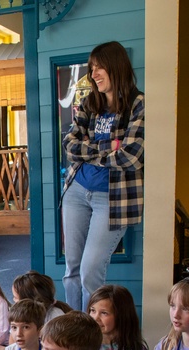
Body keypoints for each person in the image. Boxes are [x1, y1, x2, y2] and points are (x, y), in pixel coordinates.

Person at [60, 41, 145, 311]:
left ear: (116, 67)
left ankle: (91, 335)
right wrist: (107, 148)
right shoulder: (89, 103)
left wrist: (90, 152)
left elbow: (130, 156)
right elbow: (69, 146)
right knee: (71, 270)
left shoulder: (137, 104)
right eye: (92, 68)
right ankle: (71, 331)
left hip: (111, 199)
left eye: (100, 68)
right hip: (76, 191)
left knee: (90, 272)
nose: (94, 74)